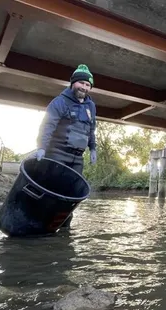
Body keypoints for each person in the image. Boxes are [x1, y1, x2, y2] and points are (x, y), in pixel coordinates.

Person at [33, 64, 98, 229]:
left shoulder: (91, 106)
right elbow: (47, 126)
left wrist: (93, 148)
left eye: (87, 84)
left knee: (70, 196)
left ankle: (63, 228)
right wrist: (41, 147)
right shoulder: (59, 102)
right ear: (73, 83)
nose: (84, 87)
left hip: (77, 159)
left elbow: (91, 129)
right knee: (52, 192)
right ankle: (40, 226)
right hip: (57, 154)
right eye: (81, 83)